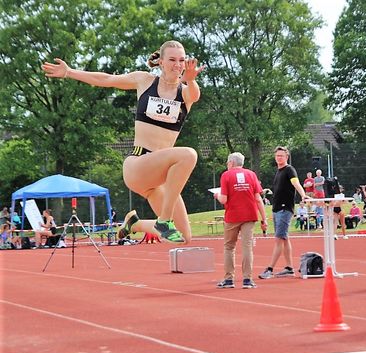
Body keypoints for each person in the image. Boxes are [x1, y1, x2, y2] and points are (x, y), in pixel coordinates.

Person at [42, 40, 204, 245]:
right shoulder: (144, 81)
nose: (177, 64)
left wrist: (190, 81)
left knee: (184, 237)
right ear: (161, 62)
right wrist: (69, 72)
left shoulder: (185, 92)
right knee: (188, 155)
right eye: (172, 59)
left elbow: (194, 95)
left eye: (181, 60)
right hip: (138, 165)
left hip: (159, 178)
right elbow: (107, 79)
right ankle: (164, 220)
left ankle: (134, 223)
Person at [214, 152, 267, 289]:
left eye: (227, 162)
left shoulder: (226, 175)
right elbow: (258, 198)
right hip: (249, 215)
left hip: (232, 215)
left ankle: (228, 279)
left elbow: (224, 199)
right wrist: (264, 218)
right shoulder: (251, 175)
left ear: (231, 163)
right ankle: (247, 279)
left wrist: (217, 195)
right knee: (247, 247)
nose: (227, 165)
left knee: (229, 247)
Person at [259, 146, 307, 279]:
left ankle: (270, 269)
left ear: (286, 157)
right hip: (276, 209)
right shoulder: (278, 171)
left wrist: (303, 194)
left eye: (281, 155)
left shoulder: (289, 170)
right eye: (277, 155)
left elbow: (296, 183)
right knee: (284, 238)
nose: (279, 157)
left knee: (279, 239)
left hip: (285, 209)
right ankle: (289, 268)